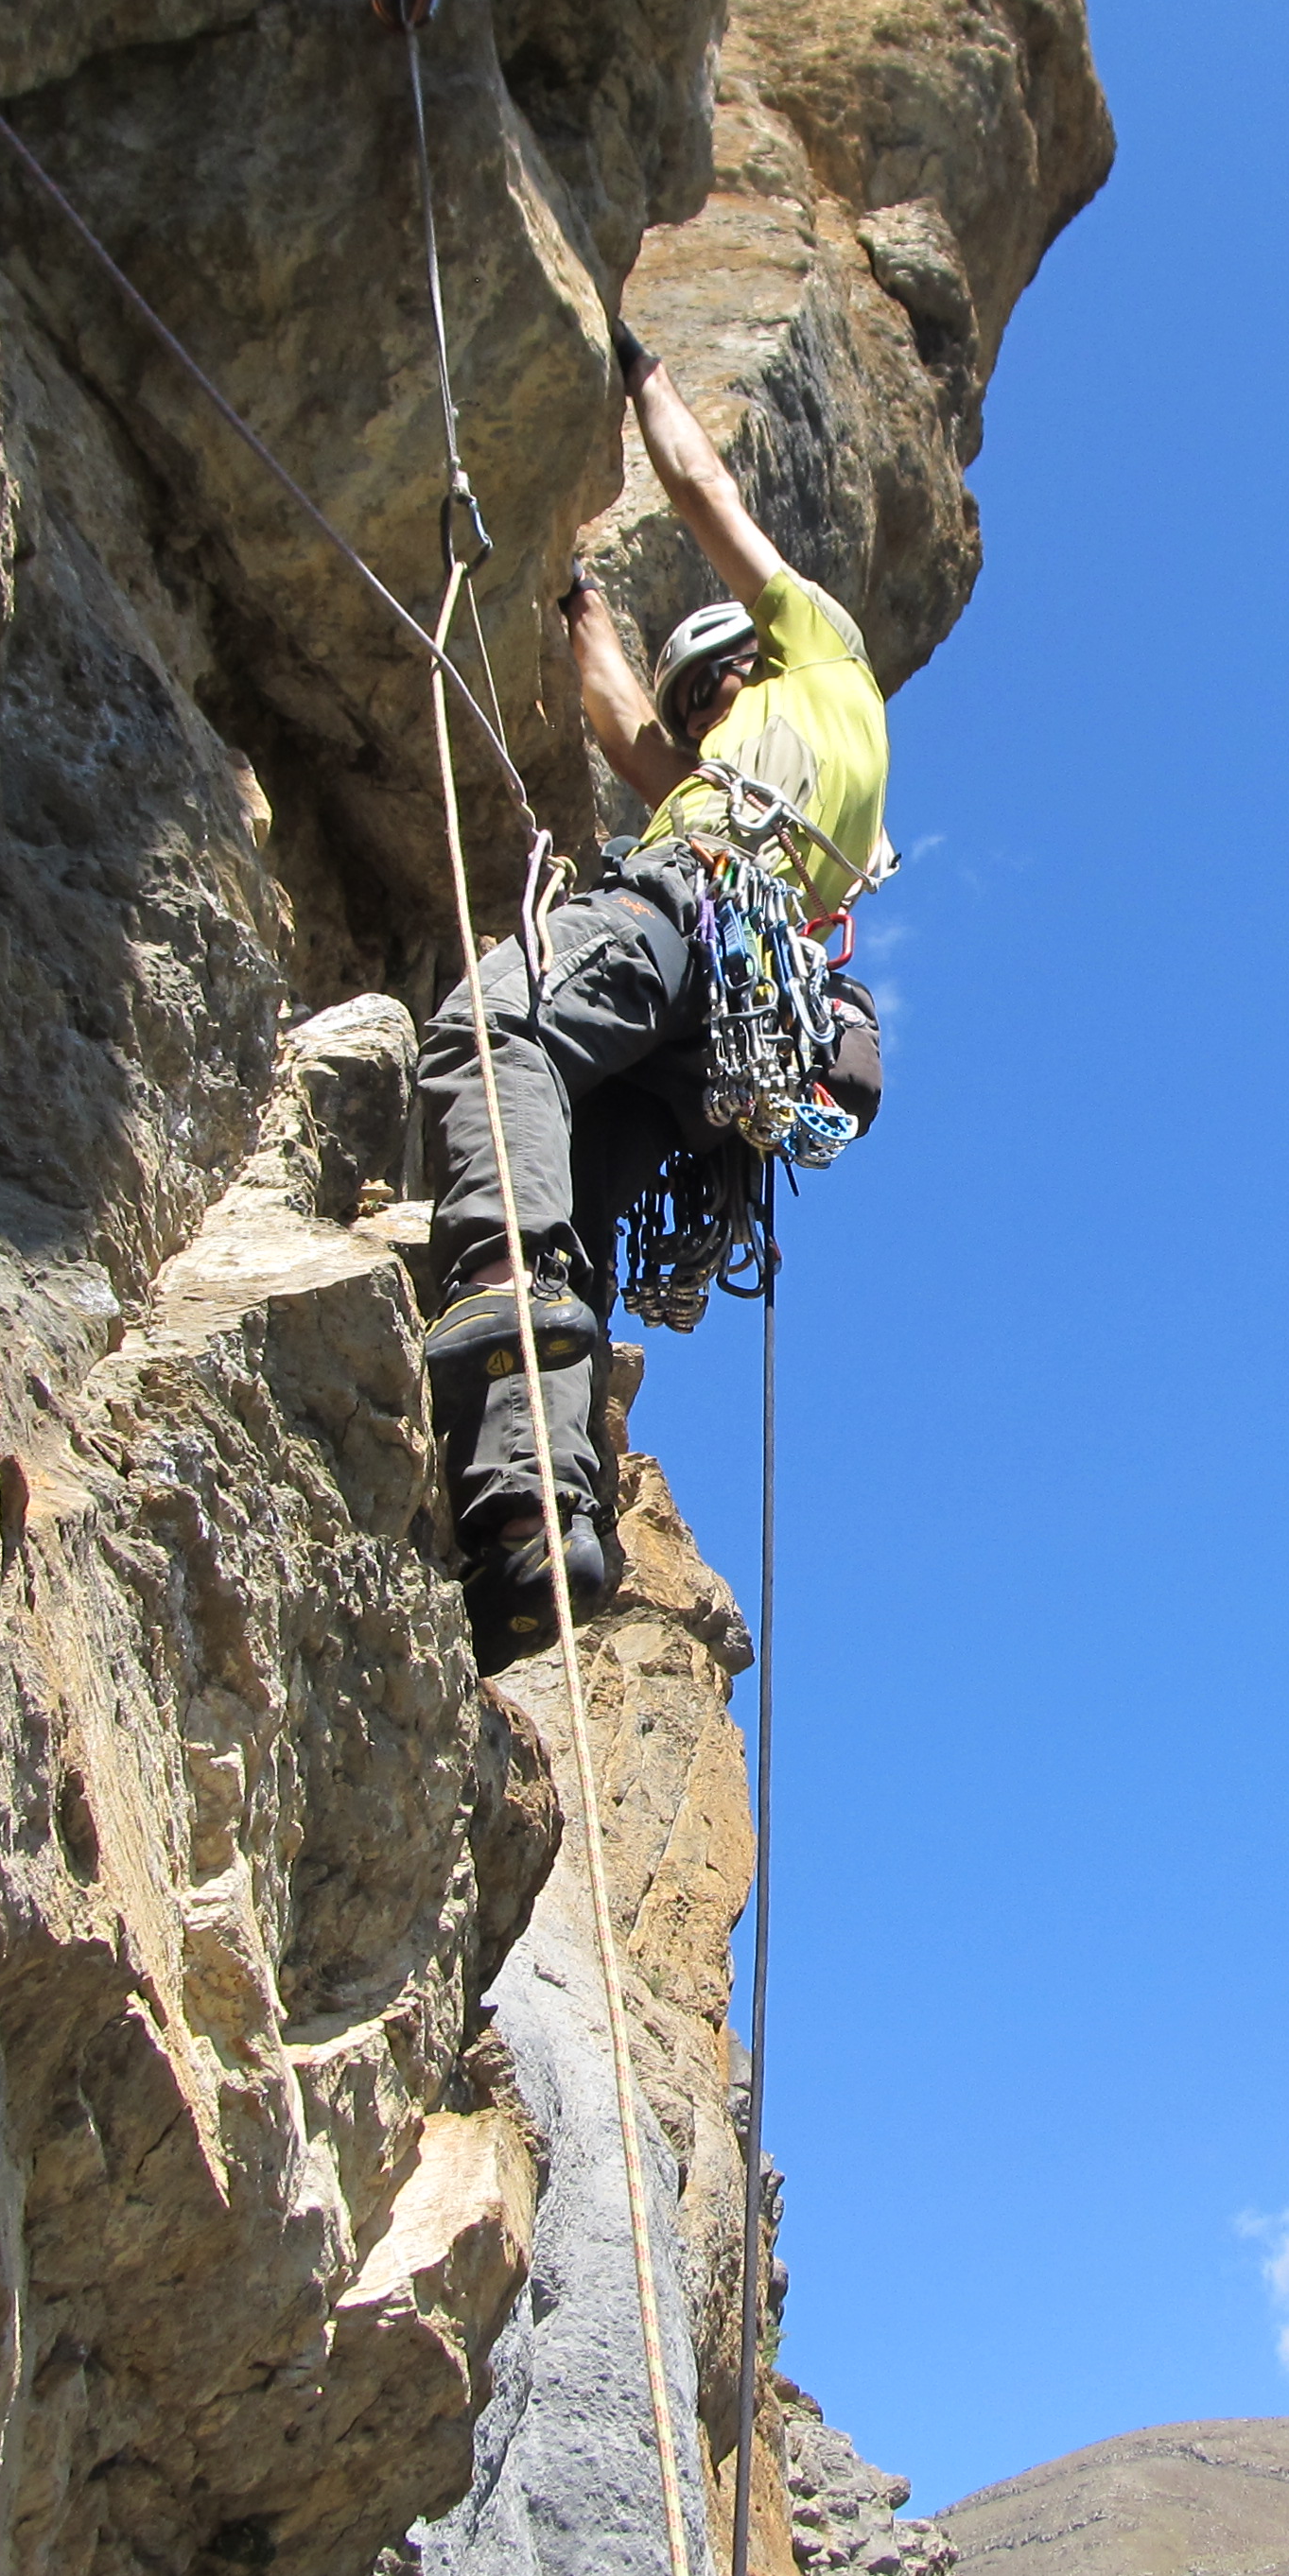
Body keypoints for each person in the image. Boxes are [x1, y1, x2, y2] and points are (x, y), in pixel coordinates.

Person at [413, 322, 891, 1662]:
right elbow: (623, 724)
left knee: (495, 1025)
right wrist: (577, 603)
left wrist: (638, 373)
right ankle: (537, 1516)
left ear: (748, 662)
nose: (689, 720)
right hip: (727, 1041)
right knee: (568, 1174)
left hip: (699, 921)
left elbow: (704, 492)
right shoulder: (721, 769)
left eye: (702, 694)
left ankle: (505, 1301)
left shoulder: (822, 663)